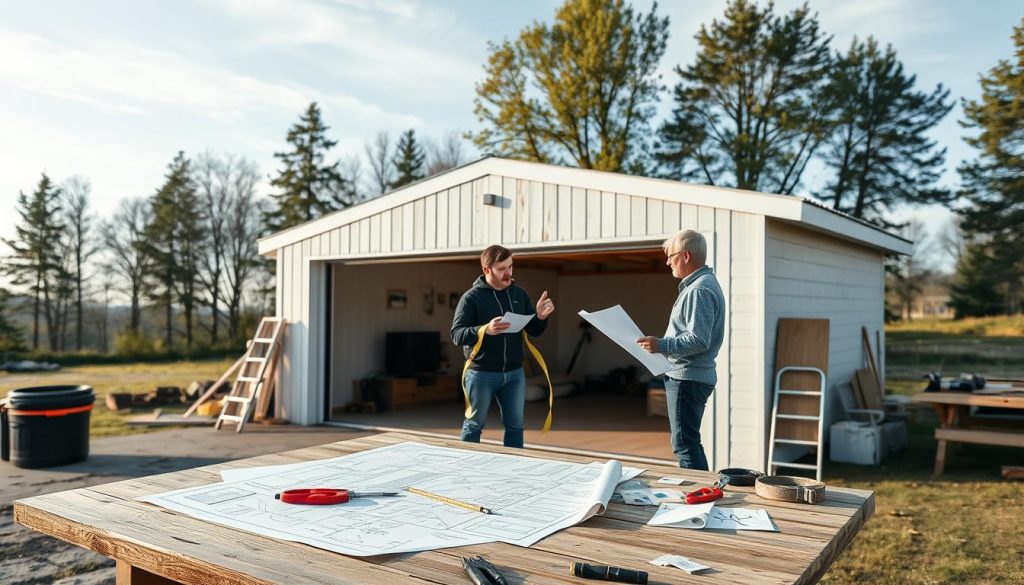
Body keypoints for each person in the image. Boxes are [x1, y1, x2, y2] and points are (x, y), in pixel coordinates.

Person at [451, 245, 555, 448]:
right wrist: (485, 329)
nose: (508, 273)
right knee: (474, 425)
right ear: (486, 270)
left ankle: (514, 470)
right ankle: (463, 469)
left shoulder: (519, 294)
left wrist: (541, 317)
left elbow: (534, 330)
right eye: (502, 269)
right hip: (481, 374)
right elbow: (456, 335)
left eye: (511, 266)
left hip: (515, 373)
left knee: (515, 426)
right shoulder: (471, 298)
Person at [637, 230, 725, 470]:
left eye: (671, 256)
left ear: (685, 256)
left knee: (685, 445)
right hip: (690, 377)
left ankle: (700, 498)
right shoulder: (700, 286)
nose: (667, 262)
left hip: (688, 378)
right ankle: (703, 494)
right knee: (688, 443)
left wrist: (660, 345)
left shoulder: (699, 290)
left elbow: (698, 340)